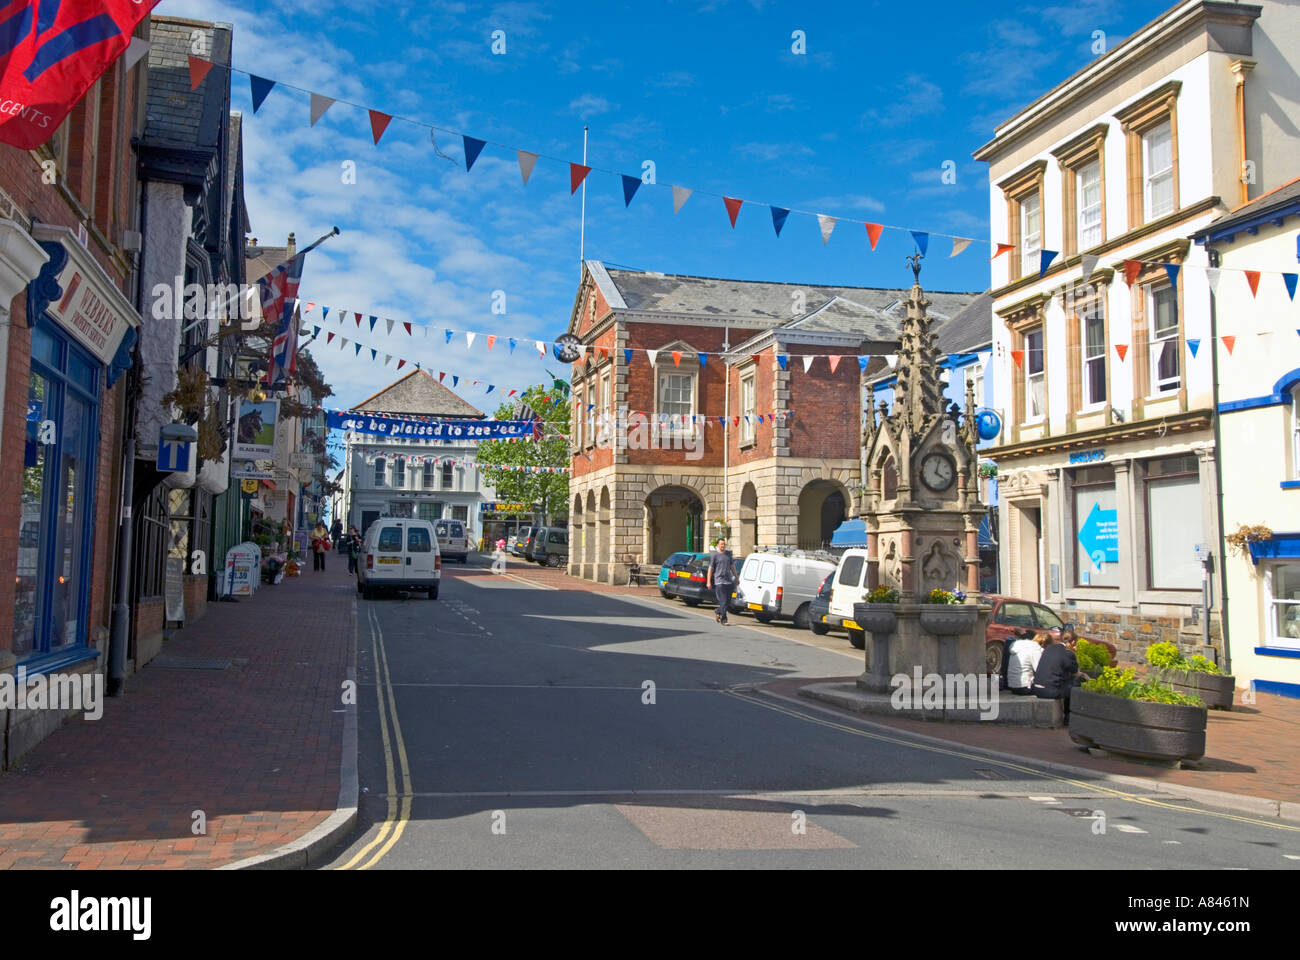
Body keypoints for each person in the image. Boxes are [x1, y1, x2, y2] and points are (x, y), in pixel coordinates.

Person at [1030, 632, 1085, 717]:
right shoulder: (1068, 654)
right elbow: (1075, 673)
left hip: (1036, 688)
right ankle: (1068, 715)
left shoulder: (1049, 648)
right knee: (1076, 682)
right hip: (1051, 691)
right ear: (1073, 642)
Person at [706, 538, 737, 626]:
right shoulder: (714, 555)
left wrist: (736, 577)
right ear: (718, 545)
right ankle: (724, 619)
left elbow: (732, 566)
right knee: (723, 601)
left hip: (728, 581)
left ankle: (718, 611)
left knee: (728, 601)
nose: (723, 546)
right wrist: (708, 582)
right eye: (721, 544)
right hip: (719, 581)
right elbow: (710, 569)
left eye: (724, 544)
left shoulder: (728, 554)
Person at [1005, 628, 1044, 696]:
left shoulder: (1015, 646)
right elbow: (1039, 669)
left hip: (1012, 685)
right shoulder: (1033, 648)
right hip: (1025, 686)